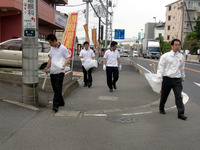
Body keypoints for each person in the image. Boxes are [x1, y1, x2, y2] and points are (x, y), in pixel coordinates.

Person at [157, 39, 187, 120]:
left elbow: (181, 68)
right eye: (176, 45)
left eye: (178, 45)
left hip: (177, 79)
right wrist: (159, 75)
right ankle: (161, 107)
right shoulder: (165, 56)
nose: (177, 47)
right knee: (164, 95)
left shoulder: (181, 57)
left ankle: (181, 113)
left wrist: (183, 76)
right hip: (167, 78)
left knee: (178, 96)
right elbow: (161, 66)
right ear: (172, 45)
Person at [45, 34, 71, 113]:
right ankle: (61, 102)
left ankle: (55, 105)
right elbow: (50, 58)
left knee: (58, 87)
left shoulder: (63, 48)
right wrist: (47, 67)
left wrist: (64, 64)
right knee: (55, 88)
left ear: (54, 41)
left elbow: (68, 57)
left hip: (60, 71)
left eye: (50, 42)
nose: (50, 44)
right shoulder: (52, 48)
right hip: (53, 71)